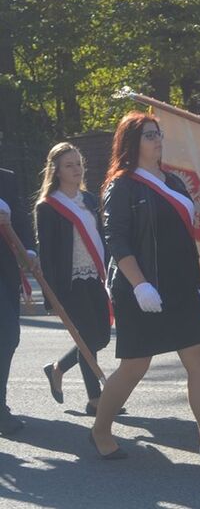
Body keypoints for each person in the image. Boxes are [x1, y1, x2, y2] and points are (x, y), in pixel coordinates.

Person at [90, 111, 200, 461]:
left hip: (180, 286)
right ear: (131, 143)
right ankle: (100, 430)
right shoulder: (123, 185)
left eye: (158, 134)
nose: (158, 140)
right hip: (141, 289)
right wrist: (141, 285)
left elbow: (187, 237)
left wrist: (197, 280)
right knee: (135, 366)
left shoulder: (174, 182)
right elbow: (116, 240)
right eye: (149, 135)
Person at [35, 143, 119, 416]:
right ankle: (96, 400)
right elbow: (47, 255)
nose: (76, 169)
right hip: (70, 282)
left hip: (95, 276)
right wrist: (51, 297)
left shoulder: (90, 200)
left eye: (78, 164)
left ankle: (58, 369)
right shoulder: (48, 207)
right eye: (69, 165)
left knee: (101, 336)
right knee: (88, 337)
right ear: (56, 171)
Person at [0, 167, 39, 436]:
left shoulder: (6, 178)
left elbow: (22, 221)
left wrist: (29, 249)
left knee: (9, 336)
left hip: (5, 271)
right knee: (7, 332)